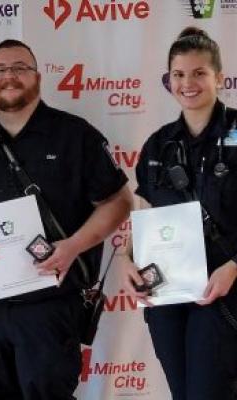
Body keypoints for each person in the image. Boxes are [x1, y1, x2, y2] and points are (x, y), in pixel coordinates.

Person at [0, 39, 132, 400]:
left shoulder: (74, 135)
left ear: (38, 77)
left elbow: (119, 201)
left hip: (50, 311)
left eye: (19, 67)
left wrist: (73, 246)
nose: (9, 76)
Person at [119, 27, 237, 400]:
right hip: (168, 293)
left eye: (199, 73)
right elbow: (146, 216)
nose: (188, 83)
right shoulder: (158, 144)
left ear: (219, 77)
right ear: (169, 80)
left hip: (224, 291)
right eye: (179, 74)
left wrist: (234, 266)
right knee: (183, 393)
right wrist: (126, 258)